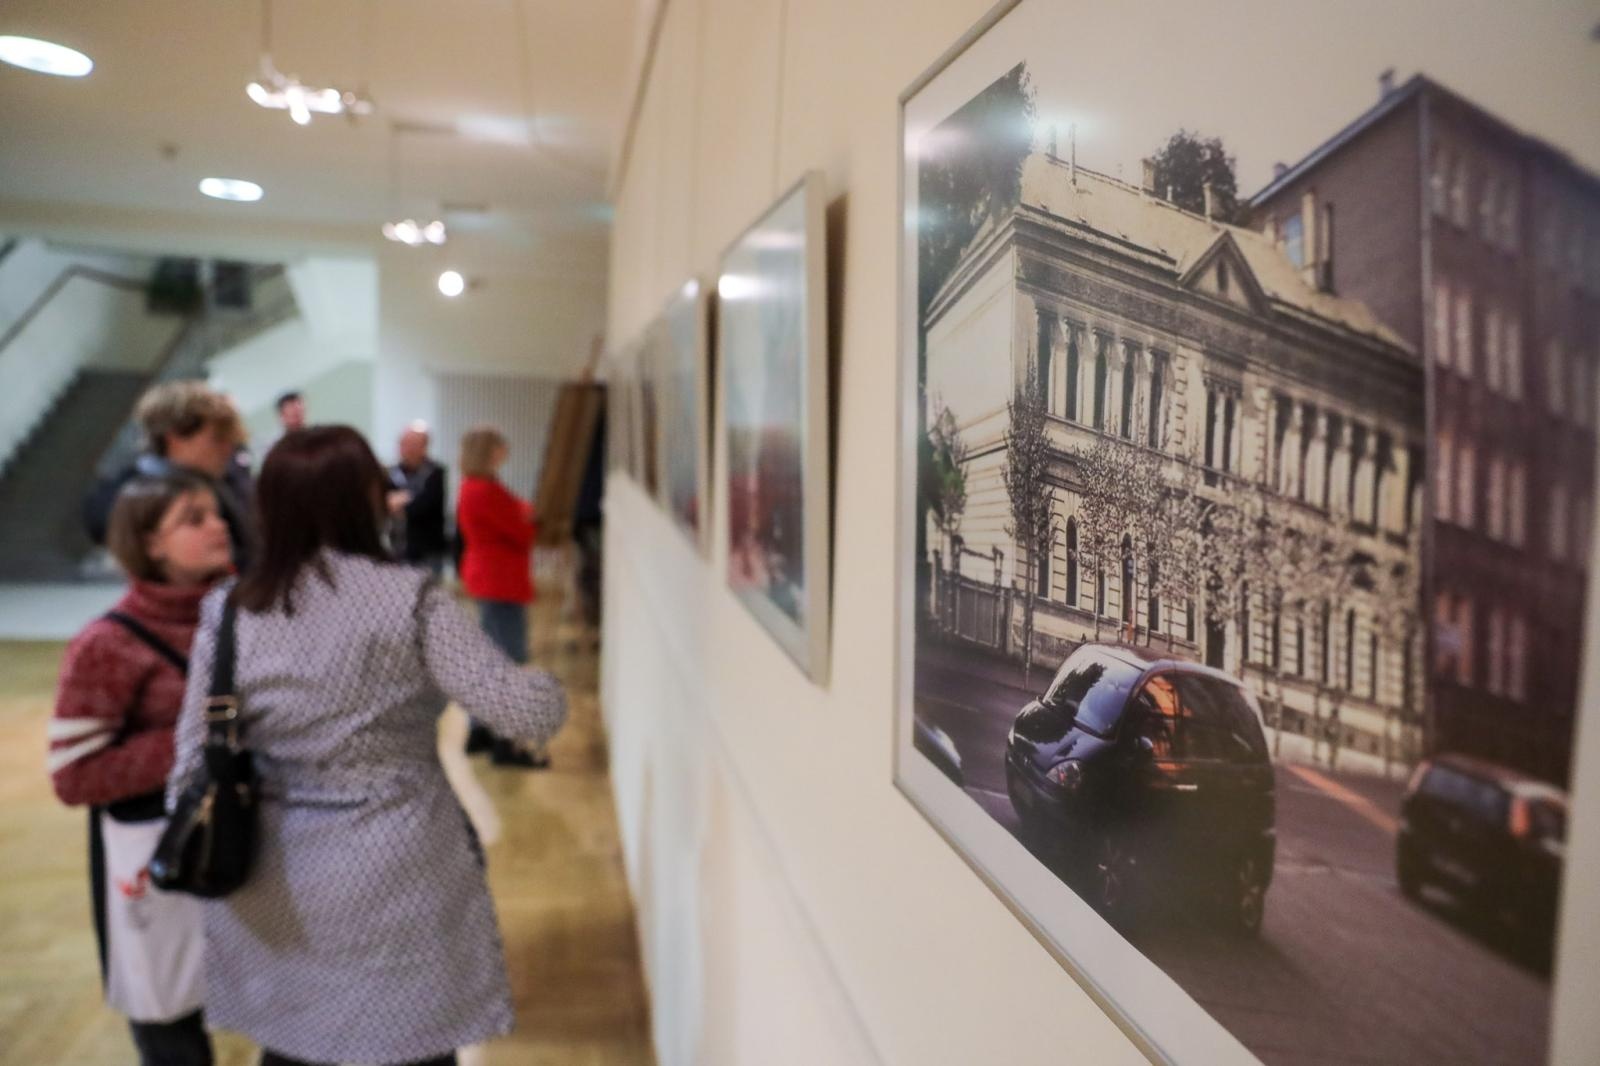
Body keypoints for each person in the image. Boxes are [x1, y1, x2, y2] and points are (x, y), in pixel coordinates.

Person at [166, 426, 566, 1066]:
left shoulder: (232, 609)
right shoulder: (410, 599)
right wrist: (546, 682)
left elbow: (188, 766)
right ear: (367, 500)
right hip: (400, 862)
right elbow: (522, 711)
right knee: (410, 1048)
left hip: (276, 874)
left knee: (295, 1049)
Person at [51, 472, 235, 1066]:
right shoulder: (106, 645)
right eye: (193, 518)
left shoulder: (247, 612)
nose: (219, 525)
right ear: (151, 544)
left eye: (215, 512)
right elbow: (75, 775)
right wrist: (198, 742)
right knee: (170, 1018)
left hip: (250, 840)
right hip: (165, 853)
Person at [83, 381, 255, 571]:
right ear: (175, 438)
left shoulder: (215, 483)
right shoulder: (128, 498)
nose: (227, 448)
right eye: (217, 439)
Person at [456, 426, 547, 768]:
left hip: (491, 578)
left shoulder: (479, 486)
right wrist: (533, 520)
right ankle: (505, 744)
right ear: (487, 452)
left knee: (492, 658)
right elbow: (522, 529)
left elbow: (515, 509)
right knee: (508, 662)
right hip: (500, 580)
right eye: (498, 448)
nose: (503, 452)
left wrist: (523, 513)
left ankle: (479, 731)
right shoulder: (484, 490)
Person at [387, 420, 448, 575]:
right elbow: (385, 503)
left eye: (413, 444)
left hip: (428, 549)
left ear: (424, 447)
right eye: (404, 444)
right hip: (398, 546)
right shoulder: (392, 473)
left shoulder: (435, 472)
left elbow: (425, 505)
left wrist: (401, 504)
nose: (407, 449)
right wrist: (408, 499)